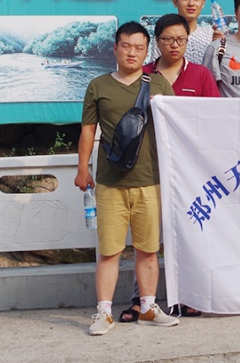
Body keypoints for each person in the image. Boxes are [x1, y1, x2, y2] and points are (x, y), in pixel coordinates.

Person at [75, 21, 178, 336]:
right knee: (109, 250)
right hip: (110, 183)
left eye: (139, 47)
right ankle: (104, 313)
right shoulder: (98, 86)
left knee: (148, 249)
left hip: (151, 180)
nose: (132, 52)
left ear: (147, 52)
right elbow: (88, 130)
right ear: (115, 49)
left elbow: (177, 126)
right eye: (126, 46)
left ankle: (147, 308)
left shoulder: (158, 84)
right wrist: (82, 169)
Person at [118, 14, 219, 323]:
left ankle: (188, 296)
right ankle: (141, 300)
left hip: (190, 168)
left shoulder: (200, 74)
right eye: (168, 39)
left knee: (190, 231)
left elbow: (215, 118)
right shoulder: (143, 74)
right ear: (157, 41)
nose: (175, 45)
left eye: (181, 40)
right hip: (148, 166)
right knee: (146, 237)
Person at [149, 0, 220, 65]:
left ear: (203, 3)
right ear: (175, 2)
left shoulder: (211, 35)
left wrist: (220, 46)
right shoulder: (163, 36)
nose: (191, 3)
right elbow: (154, 69)